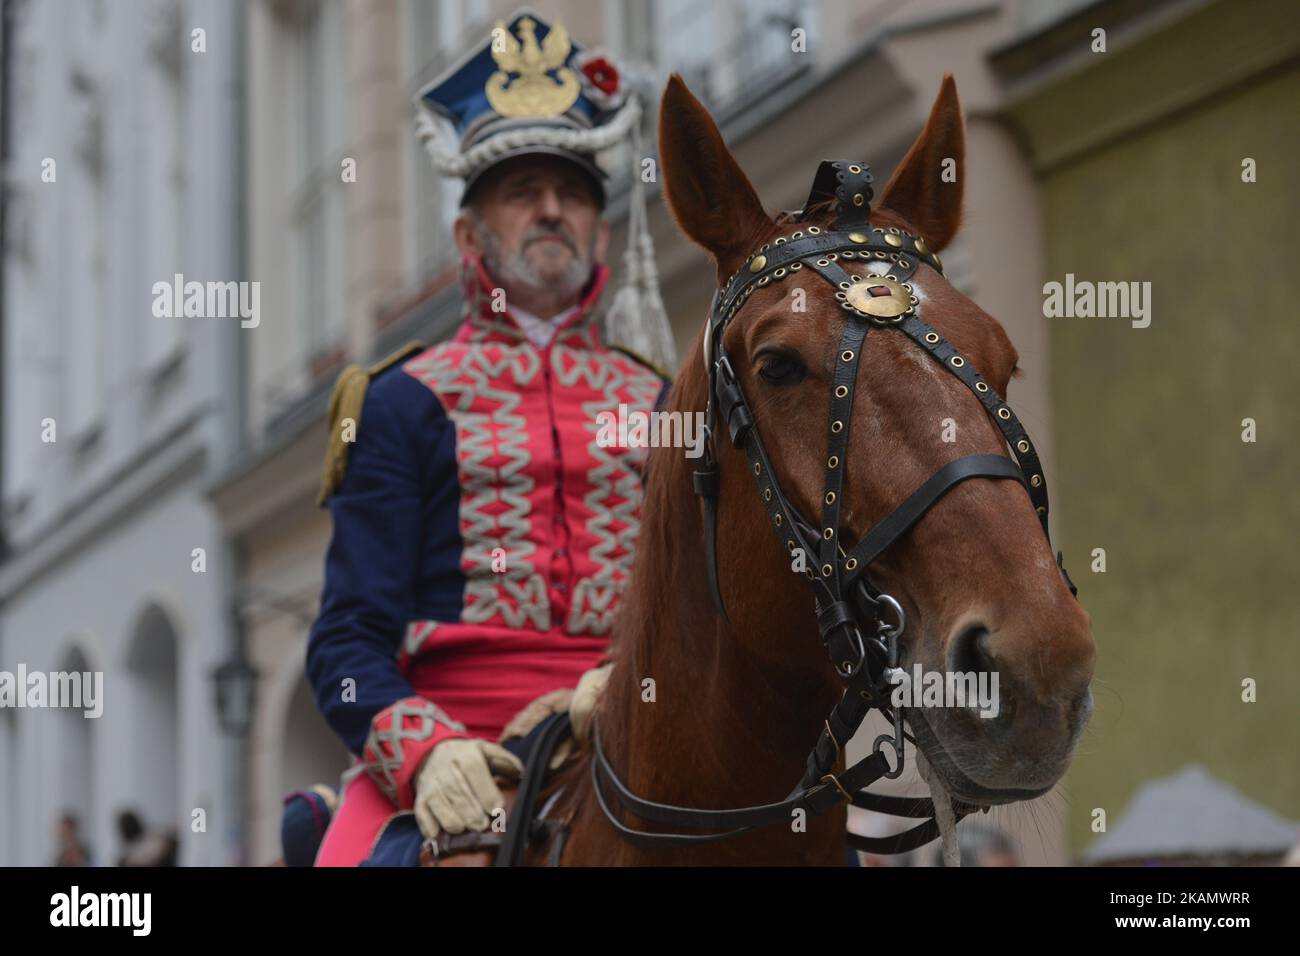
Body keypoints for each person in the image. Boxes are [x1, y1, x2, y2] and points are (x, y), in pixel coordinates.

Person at [306, 11, 674, 866]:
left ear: (602, 229)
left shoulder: (662, 402)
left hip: (637, 733)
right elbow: (347, 643)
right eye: (521, 191)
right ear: (469, 236)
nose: (552, 209)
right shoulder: (399, 403)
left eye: (574, 191)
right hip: (462, 750)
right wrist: (427, 755)